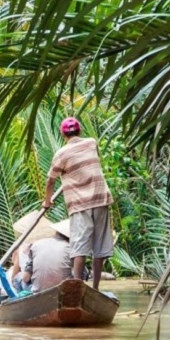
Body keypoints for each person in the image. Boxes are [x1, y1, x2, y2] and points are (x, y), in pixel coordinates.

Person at [42, 116, 114, 291]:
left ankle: (77, 289)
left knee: (79, 247)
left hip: (80, 203)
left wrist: (47, 201)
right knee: (100, 246)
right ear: (80, 131)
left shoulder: (61, 154)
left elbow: (50, 180)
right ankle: (95, 288)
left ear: (63, 135)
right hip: (100, 198)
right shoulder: (91, 142)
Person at [8, 215, 72, 293]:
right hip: (63, 290)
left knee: (17, 278)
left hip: (38, 290)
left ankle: (20, 298)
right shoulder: (72, 249)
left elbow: (25, 278)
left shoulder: (36, 246)